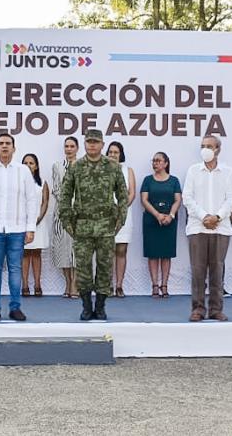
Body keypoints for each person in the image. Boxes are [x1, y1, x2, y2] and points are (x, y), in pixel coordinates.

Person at [60, 129, 128, 321]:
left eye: (95, 142)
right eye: (89, 141)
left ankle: (100, 306)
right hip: (82, 226)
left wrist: (120, 218)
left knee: (105, 267)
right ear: (85, 143)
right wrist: (66, 220)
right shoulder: (76, 166)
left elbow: (123, 195)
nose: (92, 145)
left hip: (106, 226)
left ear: (102, 145)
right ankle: (86, 306)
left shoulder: (113, 167)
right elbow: (65, 195)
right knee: (82, 268)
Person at [0, 134, 39, 321]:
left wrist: (30, 228)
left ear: (14, 148)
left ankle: (15, 308)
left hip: (17, 229)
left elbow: (31, 201)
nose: (4, 147)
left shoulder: (23, 171)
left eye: (8, 144)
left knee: (15, 269)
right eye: (1, 144)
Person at [182, 135, 232, 322]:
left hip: (220, 228)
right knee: (198, 271)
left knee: (217, 270)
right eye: (202, 146)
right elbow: (187, 197)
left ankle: (216, 309)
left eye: (209, 146)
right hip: (198, 227)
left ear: (218, 149)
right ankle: (198, 309)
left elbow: (231, 198)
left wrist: (218, 217)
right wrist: (204, 216)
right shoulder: (193, 171)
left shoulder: (228, 172)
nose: (205, 149)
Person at [140, 152, 182, 299]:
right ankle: (155, 286)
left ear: (166, 163)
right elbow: (144, 200)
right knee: (153, 254)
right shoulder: (147, 180)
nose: (155, 163)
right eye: (154, 161)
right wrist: (157, 215)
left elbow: (178, 200)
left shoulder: (174, 180)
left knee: (166, 254)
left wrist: (170, 215)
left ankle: (165, 285)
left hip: (169, 220)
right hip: (151, 220)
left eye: (158, 161)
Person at [51, 136, 80, 298]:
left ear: (77, 148)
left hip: (80, 213)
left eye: (71, 146)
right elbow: (56, 189)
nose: (69, 149)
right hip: (61, 212)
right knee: (62, 249)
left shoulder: (85, 165)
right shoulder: (57, 166)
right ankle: (68, 282)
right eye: (66, 146)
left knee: (77, 250)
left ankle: (75, 283)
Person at [107, 141, 136, 298]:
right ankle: (108, 285)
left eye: (116, 152)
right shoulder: (101, 169)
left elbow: (132, 193)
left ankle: (119, 285)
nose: (113, 155)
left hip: (124, 215)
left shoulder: (128, 170)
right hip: (106, 216)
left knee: (121, 250)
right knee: (108, 251)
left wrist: (121, 209)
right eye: (110, 152)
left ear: (121, 154)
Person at [21, 153, 50, 297]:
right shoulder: (18, 181)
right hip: (23, 223)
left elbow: (45, 202)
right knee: (25, 254)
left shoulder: (42, 182)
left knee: (37, 254)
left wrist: (38, 218)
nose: (28, 165)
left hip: (39, 222)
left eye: (31, 163)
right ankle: (25, 284)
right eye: (25, 163)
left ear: (36, 166)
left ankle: (37, 284)